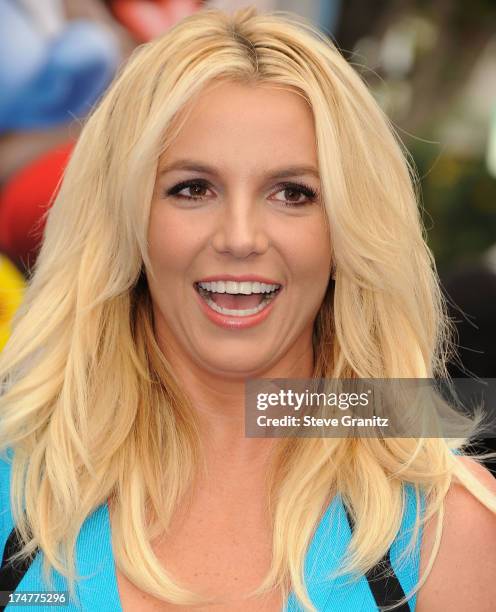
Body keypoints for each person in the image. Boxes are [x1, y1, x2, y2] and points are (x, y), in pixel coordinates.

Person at [0, 7, 495, 612]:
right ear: (126, 222)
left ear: (347, 231)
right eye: (192, 189)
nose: (240, 237)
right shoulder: (13, 497)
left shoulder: (444, 531)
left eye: (293, 193)